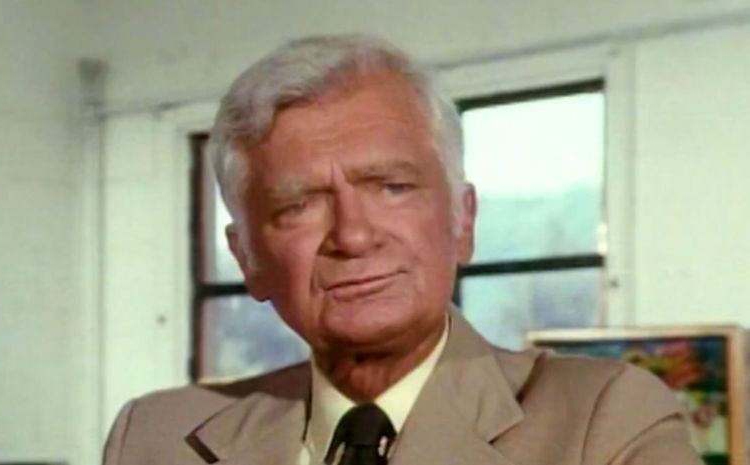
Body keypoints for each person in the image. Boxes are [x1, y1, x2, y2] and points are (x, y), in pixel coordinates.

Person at [103, 35, 703, 465]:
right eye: (298, 206)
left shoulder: (605, 419)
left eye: (392, 187)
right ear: (247, 260)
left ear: (463, 220)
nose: (353, 236)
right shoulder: (155, 437)